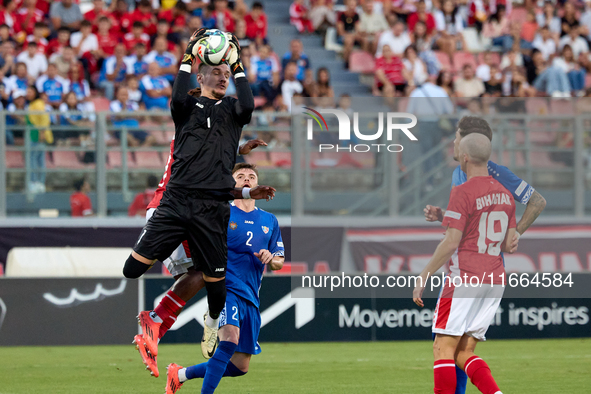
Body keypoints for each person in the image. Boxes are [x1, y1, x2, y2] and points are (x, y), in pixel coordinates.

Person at [124, 29, 275, 367]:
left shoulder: (209, 134)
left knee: (206, 276)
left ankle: (174, 323)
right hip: (173, 204)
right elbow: (209, 165)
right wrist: (191, 55)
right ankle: (171, 322)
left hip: (197, 202)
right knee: (200, 275)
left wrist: (240, 154)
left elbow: (216, 161)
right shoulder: (189, 118)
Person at [423, 116, 547, 394]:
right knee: (461, 351)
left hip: (469, 270)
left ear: (467, 146)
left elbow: (537, 200)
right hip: (491, 274)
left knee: (444, 346)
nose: (453, 142)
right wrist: (443, 215)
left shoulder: (494, 173)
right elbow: (473, 217)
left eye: (456, 137)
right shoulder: (466, 176)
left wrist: (516, 233)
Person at [165, 163, 285, 394]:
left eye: (251, 176)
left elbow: (279, 262)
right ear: (233, 184)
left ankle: (179, 374)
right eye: (240, 176)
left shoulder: (270, 220)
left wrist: (271, 259)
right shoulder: (222, 212)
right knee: (229, 340)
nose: (247, 179)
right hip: (225, 287)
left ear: (257, 184)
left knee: (240, 366)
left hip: (251, 294)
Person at [413, 133, 516, 394]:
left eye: (458, 147)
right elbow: (507, 245)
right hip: (494, 279)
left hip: (464, 278)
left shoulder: (463, 191)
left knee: (442, 348)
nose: (455, 150)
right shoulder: (506, 195)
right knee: (463, 352)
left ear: (466, 157)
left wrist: (424, 274)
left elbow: (450, 243)